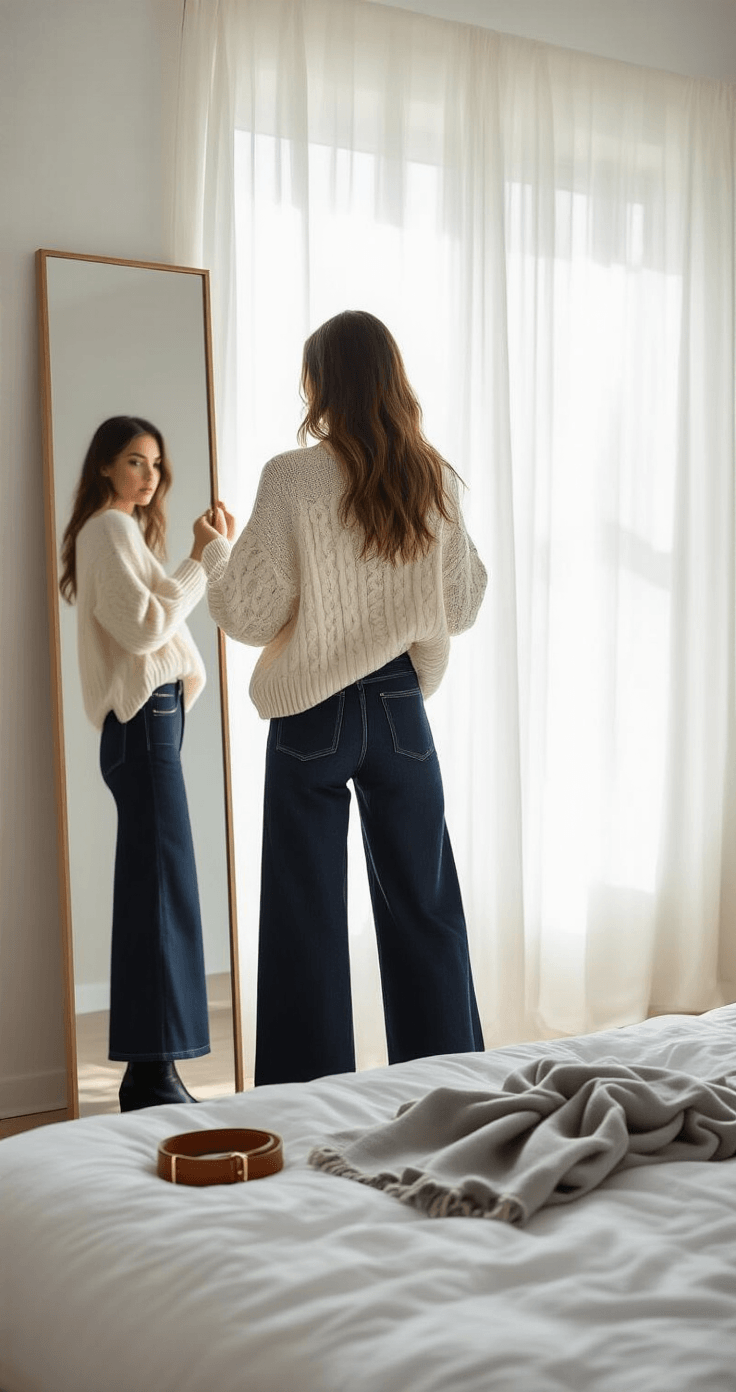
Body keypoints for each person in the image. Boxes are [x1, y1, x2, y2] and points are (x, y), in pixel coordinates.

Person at [195, 310, 487, 1085]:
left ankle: (303, 1100)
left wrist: (217, 554)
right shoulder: (436, 477)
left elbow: (249, 614)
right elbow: (461, 605)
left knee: (304, 920)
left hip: (313, 715)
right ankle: (450, 1087)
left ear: (320, 382)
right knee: (424, 910)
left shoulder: (291, 477)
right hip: (399, 711)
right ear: (392, 377)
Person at [60, 415, 211, 1111]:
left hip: (148, 726)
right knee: (162, 894)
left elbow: (152, 625)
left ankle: (148, 1074)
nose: (148, 475)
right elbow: (149, 627)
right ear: (104, 468)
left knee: (156, 892)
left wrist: (194, 558)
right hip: (144, 725)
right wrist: (200, 561)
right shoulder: (109, 530)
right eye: (133, 461)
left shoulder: (117, 533)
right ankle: (154, 1075)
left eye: (154, 463)